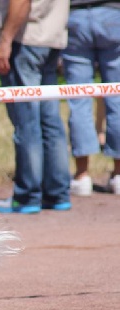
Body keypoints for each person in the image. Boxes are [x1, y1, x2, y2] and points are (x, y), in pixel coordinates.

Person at [0, 0, 72, 213]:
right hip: (52, 38)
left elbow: (21, 2)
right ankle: (57, 193)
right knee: (50, 119)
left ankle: (27, 196)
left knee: (27, 123)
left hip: (24, 40)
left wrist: (5, 41)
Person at [62, 1, 120, 196]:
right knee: (117, 98)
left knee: (79, 99)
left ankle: (82, 175)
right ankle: (119, 175)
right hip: (112, 14)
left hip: (76, 15)